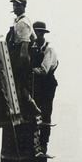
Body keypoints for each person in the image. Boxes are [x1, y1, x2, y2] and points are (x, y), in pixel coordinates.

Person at [5, 0, 41, 120]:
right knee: (19, 85)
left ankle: (29, 110)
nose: (15, 7)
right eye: (14, 5)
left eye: (17, 5)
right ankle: (29, 110)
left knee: (17, 84)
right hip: (18, 54)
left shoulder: (22, 23)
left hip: (20, 55)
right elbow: (34, 38)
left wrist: (21, 59)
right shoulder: (20, 21)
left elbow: (25, 42)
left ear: (23, 6)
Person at [31, 21, 59, 152]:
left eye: (40, 32)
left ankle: (43, 144)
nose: (38, 35)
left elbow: (43, 70)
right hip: (37, 83)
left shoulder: (49, 49)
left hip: (47, 83)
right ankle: (34, 141)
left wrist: (29, 70)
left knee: (45, 112)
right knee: (35, 111)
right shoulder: (34, 47)